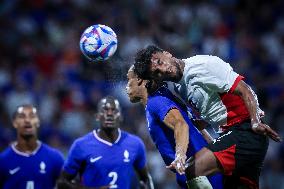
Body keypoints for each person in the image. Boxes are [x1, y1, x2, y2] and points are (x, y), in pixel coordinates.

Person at [133, 45, 281, 189]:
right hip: (234, 134)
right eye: (157, 73)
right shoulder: (180, 87)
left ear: (167, 53)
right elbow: (216, 106)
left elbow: (245, 89)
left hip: (245, 132)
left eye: (160, 61)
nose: (164, 69)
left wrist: (255, 121)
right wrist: (202, 123)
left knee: (191, 170)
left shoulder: (203, 64)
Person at [126, 66, 223, 189]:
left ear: (140, 80)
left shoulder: (155, 102)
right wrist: (214, 147)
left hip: (198, 172)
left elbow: (181, 124)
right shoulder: (164, 95)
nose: (126, 86)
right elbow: (195, 125)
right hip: (200, 169)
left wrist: (179, 156)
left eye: (128, 79)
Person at [57, 96, 154, 189]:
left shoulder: (135, 144)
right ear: (97, 116)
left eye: (114, 110)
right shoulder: (81, 145)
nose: (110, 113)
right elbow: (62, 183)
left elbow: (145, 179)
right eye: (105, 110)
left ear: (121, 116)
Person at [0, 104, 64, 189]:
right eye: (22, 116)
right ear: (14, 123)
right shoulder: (3, 160)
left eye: (32, 116)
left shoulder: (54, 157)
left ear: (38, 122)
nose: (27, 120)